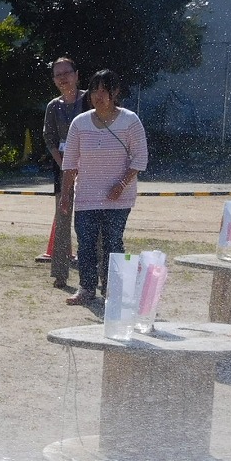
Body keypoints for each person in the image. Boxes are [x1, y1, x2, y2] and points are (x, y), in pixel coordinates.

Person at [59, 69, 149, 306]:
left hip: (119, 197)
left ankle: (114, 289)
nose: (99, 95)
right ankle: (86, 288)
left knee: (113, 242)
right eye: (94, 90)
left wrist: (121, 184)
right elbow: (70, 163)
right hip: (86, 196)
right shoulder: (80, 123)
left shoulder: (130, 121)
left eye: (104, 90)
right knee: (86, 243)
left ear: (115, 92)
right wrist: (66, 195)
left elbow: (140, 159)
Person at [43, 57, 88, 290]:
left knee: (90, 220)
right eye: (57, 74)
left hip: (91, 170)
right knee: (62, 220)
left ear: (76, 74)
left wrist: (82, 165)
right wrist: (65, 164)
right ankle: (60, 274)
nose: (63, 78)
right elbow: (50, 139)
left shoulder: (90, 99)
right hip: (63, 169)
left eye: (66, 73)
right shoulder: (53, 106)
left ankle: (95, 269)